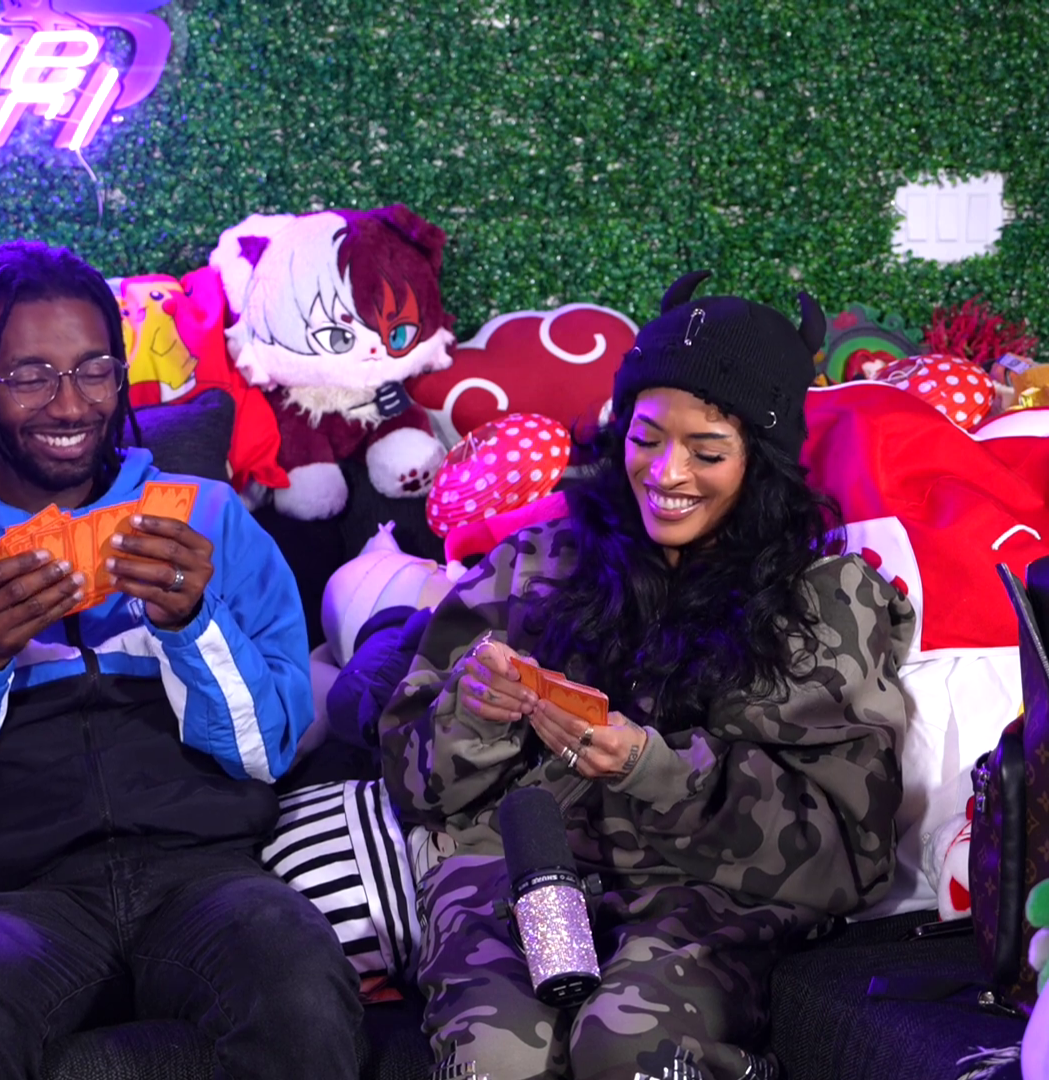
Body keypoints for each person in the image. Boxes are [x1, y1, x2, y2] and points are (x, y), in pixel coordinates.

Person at [0, 240, 362, 1079]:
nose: (70, 403)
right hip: (11, 897)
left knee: (300, 981)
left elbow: (269, 752)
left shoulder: (209, 518)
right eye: (29, 375)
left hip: (204, 875)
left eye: (93, 369)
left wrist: (192, 625)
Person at [379, 271, 915, 1080]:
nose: (666, 474)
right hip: (517, 870)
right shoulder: (534, 566)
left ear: (763, 462)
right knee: (497, 1061)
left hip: (708, 894)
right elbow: (410, 782)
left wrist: (653, 769)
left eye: (708, 452)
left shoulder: (820, 604)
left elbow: (850, 854)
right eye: (645, 438)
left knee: (625, 1050)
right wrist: (473, 715)